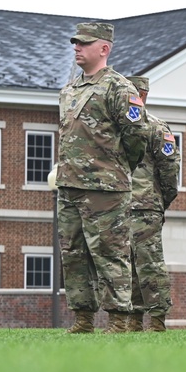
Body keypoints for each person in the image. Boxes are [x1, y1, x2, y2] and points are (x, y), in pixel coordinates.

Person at [57, 23, 149, 334]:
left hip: (105, 188)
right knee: (73, 254)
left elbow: (137, 137)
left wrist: (116, 169)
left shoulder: (119, 88)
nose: (77, 48)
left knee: (110, 254)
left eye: (84, 43)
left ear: (104, 49)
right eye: (75, 43)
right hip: (69, 185)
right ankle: (83, 319)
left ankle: (119, 320)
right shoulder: (69, 90)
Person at [124, 76, 179, 332]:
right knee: (125, 265)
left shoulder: (157, 128)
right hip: (118, 205)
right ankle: (132, 320)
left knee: (149, 264)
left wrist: (158, 200)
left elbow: (169, 173)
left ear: (141, 95)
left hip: (145, 206)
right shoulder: (116, 128)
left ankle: (157, 321)